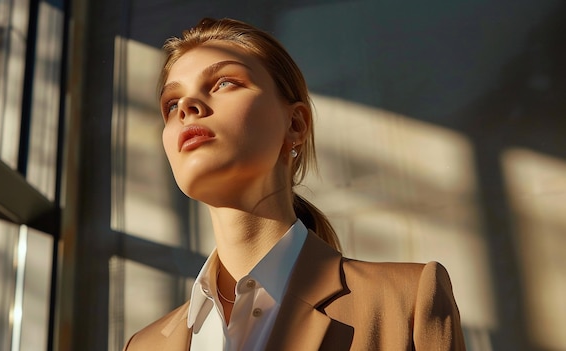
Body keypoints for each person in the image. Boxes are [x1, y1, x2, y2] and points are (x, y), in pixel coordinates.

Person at [124, 17, 466, 351]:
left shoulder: (404, 303)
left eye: (224, 83)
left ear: (296, 124)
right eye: (171, 104)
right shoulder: (144, 345)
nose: (187, 107)